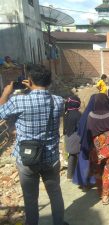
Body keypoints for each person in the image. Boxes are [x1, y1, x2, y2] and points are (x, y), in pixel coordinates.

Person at [0, 65, 68, 225]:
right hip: (51, 158)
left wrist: (5, 93)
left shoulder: (18, 100)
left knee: (30, 199)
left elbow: (1, 113)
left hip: (26, 158)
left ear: (29, 81)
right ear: (49, 82)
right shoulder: (58, 101)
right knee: (55, 194)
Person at [73, 94, 96, 189]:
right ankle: (90, 182)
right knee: (91, 162)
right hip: (92, 143)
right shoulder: (95, 114)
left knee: (83, 161)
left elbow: (79, 128)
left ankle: (81, 181)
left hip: (83, 142)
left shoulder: (85, 114)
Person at [63, 95, 82, 180]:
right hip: (76, 138)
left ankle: (69, 175)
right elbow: (80, 127)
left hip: (68, 138)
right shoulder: (78, 114)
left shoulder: (66, 114)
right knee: (80, 157)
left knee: (72, 155)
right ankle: (80, 176)